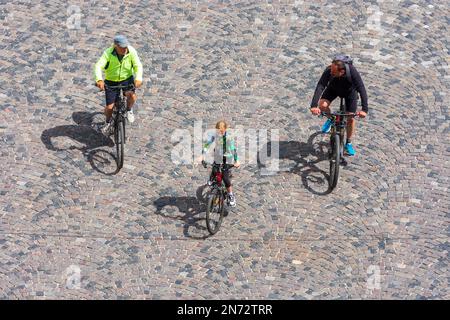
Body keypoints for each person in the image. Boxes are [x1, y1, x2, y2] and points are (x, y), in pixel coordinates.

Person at [310, 55, 368, 156]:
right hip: (333, 89)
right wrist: (314, 106)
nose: (331, 72)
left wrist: (364, 110)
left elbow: (361, 88)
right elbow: (320, 86)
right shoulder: (329, 70)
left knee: (350, 117)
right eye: (331, 69)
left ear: (342, 71)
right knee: (322, 105)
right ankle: (331, 119)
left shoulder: (352, 72)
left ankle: (348, 143)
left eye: (333, 71)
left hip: (350, 93)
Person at [94, 35, 143, 135]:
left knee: (132, 96)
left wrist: (138, 78)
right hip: (111, 81)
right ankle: (107, 122)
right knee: (110, 107)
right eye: (122, 47)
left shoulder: (131, 51)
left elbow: (138, 65)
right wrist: (99, 80)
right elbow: (98, 66)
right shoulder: (108, 53)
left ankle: (129, 109)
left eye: (126, 47)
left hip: (127, 79)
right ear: (115, 46)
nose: (125, 49)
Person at [199, 120, 240, 207]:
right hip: (218, 155)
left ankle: (230, 195)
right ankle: (212, 178)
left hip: (227, 157)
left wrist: (236, 161)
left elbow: (233, 149)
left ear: (225, 129)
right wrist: (202, 155)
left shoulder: (228, 137)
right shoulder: (214, 135)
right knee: (214, 169)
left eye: (222, 131)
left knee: (225, 178)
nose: (220, 133)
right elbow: (207, 144)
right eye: (218, 131)